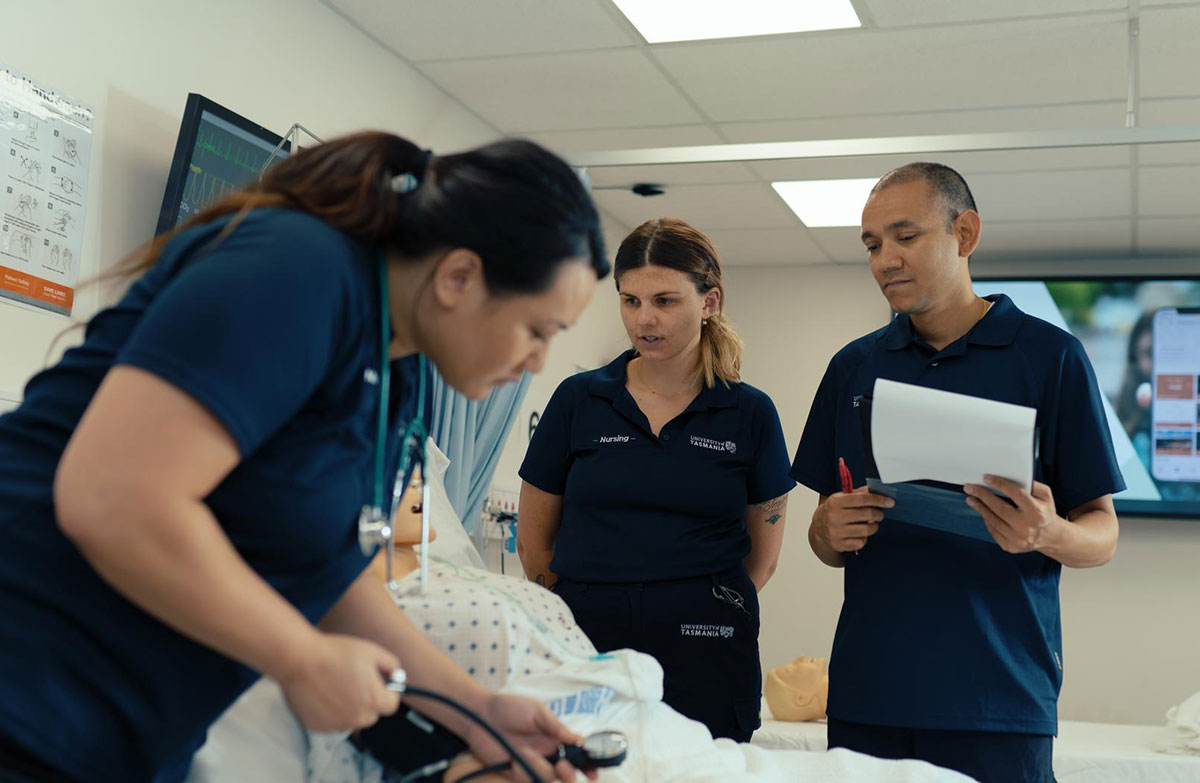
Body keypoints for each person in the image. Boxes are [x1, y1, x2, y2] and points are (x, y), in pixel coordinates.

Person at [0, 131, 609, 783]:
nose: (538, 362)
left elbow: (325, 573)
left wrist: (479, 711)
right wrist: (298, 656)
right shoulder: (299, 268)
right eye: (537, 330)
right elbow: (114, 498)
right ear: (459, 275)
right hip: (28, 678)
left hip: (122, 729)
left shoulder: (393, 372)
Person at [791, 162, 1125, 783]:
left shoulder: (1051, 357)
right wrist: (826, 532)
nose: (884, 258)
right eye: (871, 244)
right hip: (870, 697)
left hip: (1000, 701)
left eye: (905, 236)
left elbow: (1101, 532)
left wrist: (1047, 533)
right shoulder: (851, 368)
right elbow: (822, 537)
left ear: (964, 233)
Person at [516, 217, 795, 743]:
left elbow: (763, 558)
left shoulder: (750, 413)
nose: (645, 319)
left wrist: (695, 604)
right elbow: (534, 542)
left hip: (707, 646)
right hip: (589, 638)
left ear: (709, 302)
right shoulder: (579, 401)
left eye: (665, 301)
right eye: (630, 300)